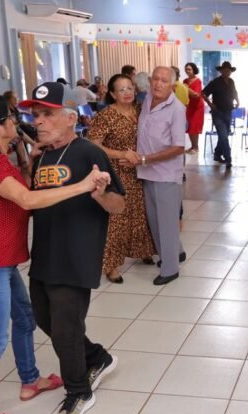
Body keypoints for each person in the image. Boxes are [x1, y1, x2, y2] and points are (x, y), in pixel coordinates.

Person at [0, 94, 112, 414]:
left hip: (12, 261)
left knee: (30, 320)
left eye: (45, 114)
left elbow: (18, 193)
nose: (27, 122)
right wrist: (82, 185)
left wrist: (31, 166)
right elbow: (26, 198)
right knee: (0, 336)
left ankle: (42, 382)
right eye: (14, 117)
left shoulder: (3, 160)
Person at [18, 82, 125, 414]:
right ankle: (97, 357)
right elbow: (31, 201)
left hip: (77, 254)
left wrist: (98, 195)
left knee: (65, 327)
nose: (39, 121)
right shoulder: (42, 155)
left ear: (70, 117)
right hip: (46, 251)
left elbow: (119, 205)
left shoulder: (89, 153)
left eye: (47, 114)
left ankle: (79, 391)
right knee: (45, 320)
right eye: (36, 115)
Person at [87, 73, 157, 284]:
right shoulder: (106, 115)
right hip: (116, 171)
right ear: (112, 94)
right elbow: (93, 146)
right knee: (117, 219)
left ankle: (142, 249)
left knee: (140, 213)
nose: (127, 93)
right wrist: (121, 155)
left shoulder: (140, 110)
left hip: (140, 170)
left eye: (130, 88)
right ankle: (111, 265)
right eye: (121, 90)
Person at [121, 66, 186, 286]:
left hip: (165, 173)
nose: (158, 84)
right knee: (155, 221)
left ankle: (170, 268)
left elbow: (178, 146)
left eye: (164, 81)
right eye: (155, 79)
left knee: (167, 223)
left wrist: (145, 160)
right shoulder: (148, 100)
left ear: (173, 85)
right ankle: (176, 252)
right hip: (146, 171)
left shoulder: (176, 109)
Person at [202, 61, 239, 167]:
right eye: (225, 70)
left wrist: (237, 100)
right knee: (223, 136)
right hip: (217, 112)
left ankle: (217, 154)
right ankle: (228, 159)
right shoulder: (215, 82)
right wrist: (210, 104)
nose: (227, 72)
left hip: (228, 111)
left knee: (224, 135)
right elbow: (203, 93)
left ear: (231, 72)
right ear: (221, 71)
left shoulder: (231, 81)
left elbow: (235, 92)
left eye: (229, 70)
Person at [183, 62, 205, 154]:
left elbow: (196, 95)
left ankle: (196, 147)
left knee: (195, 127)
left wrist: (187, 88)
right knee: (189, 127)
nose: (187, 71)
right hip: (189, 106)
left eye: (189, 69)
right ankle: (192, 146)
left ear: (194, 70)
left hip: (197, 107)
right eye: (186, 69)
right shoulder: (185, 81)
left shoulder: (198, 81)